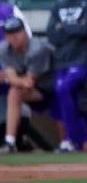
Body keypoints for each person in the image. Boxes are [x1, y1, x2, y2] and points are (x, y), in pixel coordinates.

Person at [45, 0, 87, 152]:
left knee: (65, 89)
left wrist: (65, 27)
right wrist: (74, 27)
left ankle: (72, 140)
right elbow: (52, 34)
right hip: (62, 61)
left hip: (82, 58)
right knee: (63, 95)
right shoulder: (59, 4)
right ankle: (80, 141)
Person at [1, 18, 55, 153]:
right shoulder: (4, 49)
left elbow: (29, 82)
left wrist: (9, 78)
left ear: (25, 32)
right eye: (9, 34)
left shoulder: (38, 48)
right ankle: (10, 141)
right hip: (32, 91)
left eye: (17, 33)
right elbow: (16, 80)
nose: (13, 38)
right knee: (15, 92)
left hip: (51, 89)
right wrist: (12, 79)